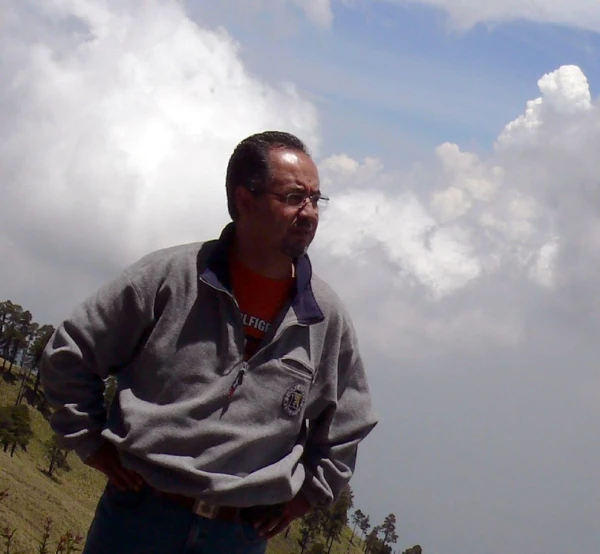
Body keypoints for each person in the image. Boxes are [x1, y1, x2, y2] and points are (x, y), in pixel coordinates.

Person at [40, 131, 378, 554]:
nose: (308, 213)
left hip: (237, 537)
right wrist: (90, 444)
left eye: (315, 199)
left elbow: (348, 423)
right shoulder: (169, 278)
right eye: (294, 197)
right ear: (244, 200)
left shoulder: (325, 317)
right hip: (138, 521)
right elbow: (70, 354)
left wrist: (305, 498)